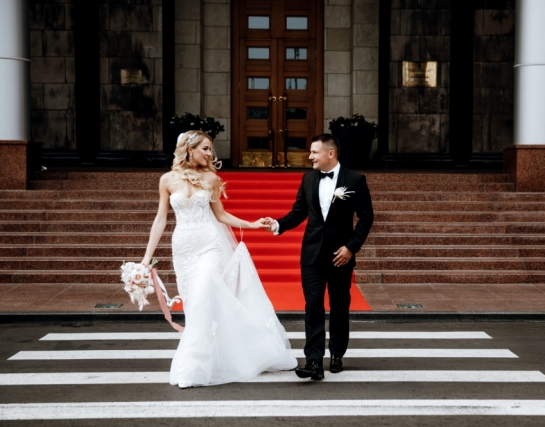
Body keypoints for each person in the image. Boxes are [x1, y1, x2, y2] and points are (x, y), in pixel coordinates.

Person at [142, 130, 297, 388]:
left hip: (209, 246)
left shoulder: (211, 179)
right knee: (194, 306)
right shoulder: (167, 180)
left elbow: (221, 216)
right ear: (189, 149)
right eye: (205, 148)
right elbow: (160, 219)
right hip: (183, 250)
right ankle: (210, 359)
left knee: (202, 297)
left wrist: (252, 224)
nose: (210, 153)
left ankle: (193, 368)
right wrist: (147, 257)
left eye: (210, 149)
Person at [263, 134, 374, 381]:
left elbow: (366, 217)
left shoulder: (355, 180)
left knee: (339, 305)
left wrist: (351, 247)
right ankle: (313, 361)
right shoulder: (308, 179)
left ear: (330, 153)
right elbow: (298, 212)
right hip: (312, 255)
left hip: (340, 255)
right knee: (313, 305)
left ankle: (336, 354)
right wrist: (278, 224)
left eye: (314, 152)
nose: (310, 156)